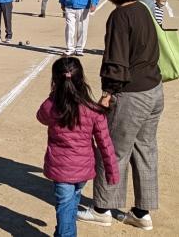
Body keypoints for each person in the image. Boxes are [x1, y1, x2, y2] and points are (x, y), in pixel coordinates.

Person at [78, 0, 164, 231]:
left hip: (131, 93)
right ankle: (141, 212)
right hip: (154, 90)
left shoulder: (120, 16)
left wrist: (108, 93)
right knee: (145, 149)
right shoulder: (143, 9)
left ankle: (102, 208)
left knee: (111, 151)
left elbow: (116, 61)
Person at [38, 57, 119, 237]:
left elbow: (40, 116)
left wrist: (54, 95)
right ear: (81, 80)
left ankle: (65, 234)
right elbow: (105, 143)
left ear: (55, 81)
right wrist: (112, 172)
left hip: (61, 170)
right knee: (72, 203)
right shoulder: (93, 110)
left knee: (65, 207)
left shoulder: (52, 106)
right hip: (83, 170)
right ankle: (64, 233)